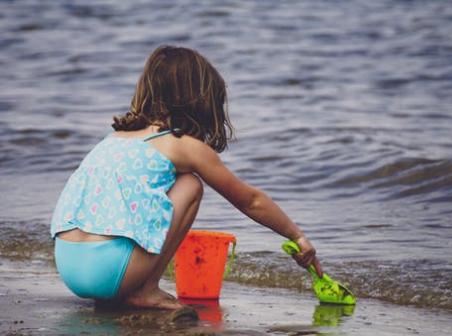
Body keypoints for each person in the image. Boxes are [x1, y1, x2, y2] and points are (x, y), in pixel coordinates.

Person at [50, 45, 323, 310]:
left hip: (68, 264)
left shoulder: (113, 139)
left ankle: (121, 289)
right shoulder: (182, 145)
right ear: (199, 101)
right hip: (108, 272)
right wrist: (297, 236)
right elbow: (250, 201)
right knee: (191, 184)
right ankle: (145, 290)